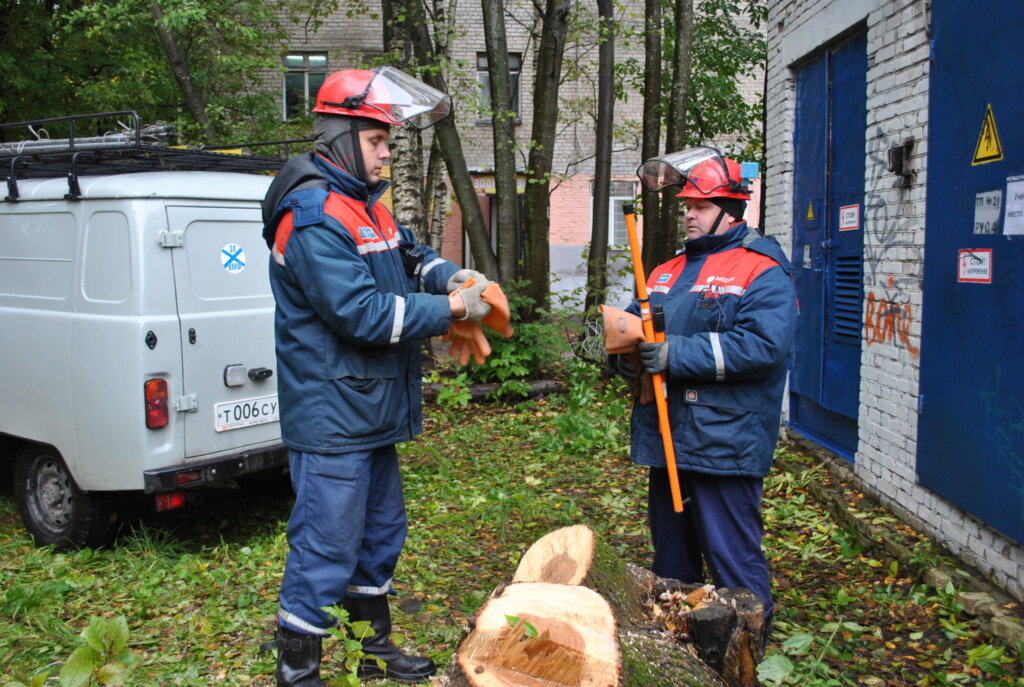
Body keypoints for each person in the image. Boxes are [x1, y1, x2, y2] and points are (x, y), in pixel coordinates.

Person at [259, 66, 495, 686]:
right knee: (326, 544)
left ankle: (373, 651)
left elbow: (410, 253)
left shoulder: (366, 207)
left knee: (381, 533)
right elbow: (360, 315)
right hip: (333, 414)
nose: (387, 151)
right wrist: (449, 311)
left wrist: (449, 276)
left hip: (368, 409)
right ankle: (297, 671)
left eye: (388, 140)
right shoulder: (312, 215)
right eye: (377, 140)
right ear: (339, 137)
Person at [614, 146, 797, 634]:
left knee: (733, 559)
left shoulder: (763, 270)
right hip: (668, 438)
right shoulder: (666, 271)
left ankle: (750, 650)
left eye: (700, 207)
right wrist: (620, 351)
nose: (689, 215)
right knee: (672, 561)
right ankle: (683, 650)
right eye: (686, 206)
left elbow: (763, 347)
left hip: (725, 441)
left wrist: (675, 354)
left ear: (731, 212)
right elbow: (638, 331)